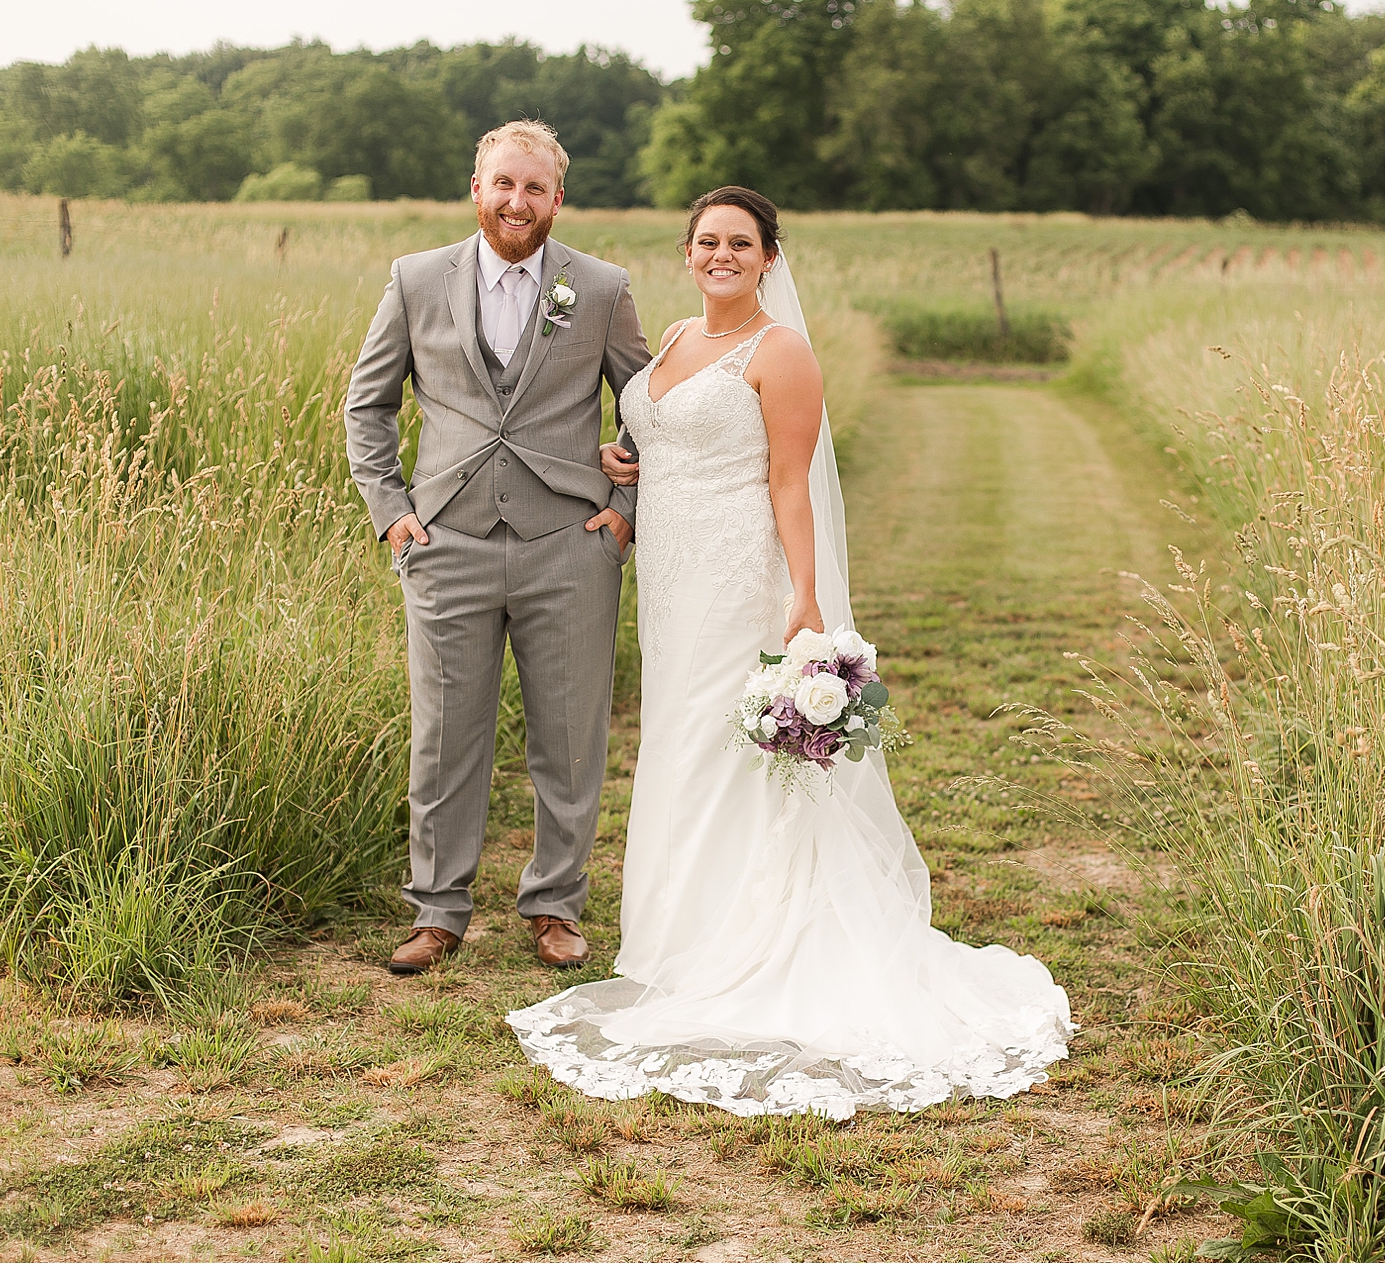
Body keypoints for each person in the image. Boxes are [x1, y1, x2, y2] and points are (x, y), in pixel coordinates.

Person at [507, 187, 1073, 1118]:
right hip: (672, 582)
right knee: (679, 747)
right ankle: (678, 941)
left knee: (730, 753)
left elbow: (789, 481)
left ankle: (749, 941)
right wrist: (624, 458)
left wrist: (805, 599)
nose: (721, 255)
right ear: (687, 252)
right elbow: (662, 436)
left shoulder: (783, 353)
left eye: (741, 242)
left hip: (742, 578)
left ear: (770, 256)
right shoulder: (674, 341)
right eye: (707, 241)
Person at [344, 120, 649, 975]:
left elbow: (649, 403)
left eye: (535, 188)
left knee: (570, 738)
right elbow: (367, 405)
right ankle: (437, 911)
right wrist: (391, 510)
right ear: (477, 189)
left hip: (571, 545)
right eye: (504, 184)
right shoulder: (415, 280)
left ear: (558, 198)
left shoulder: (600, 287)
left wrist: (625, 506)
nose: (518, 201)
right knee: (445, 737)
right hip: (447, 542)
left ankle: (555, 905)